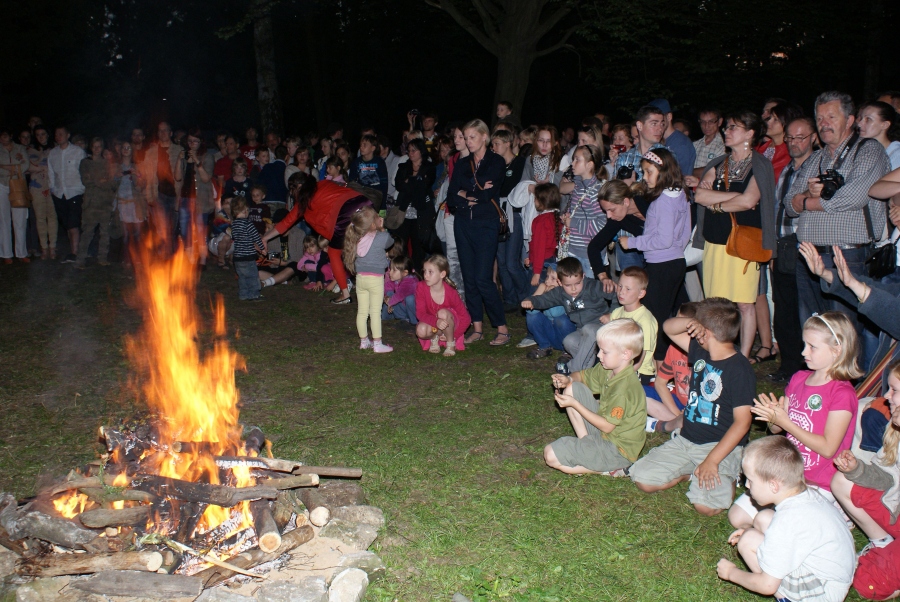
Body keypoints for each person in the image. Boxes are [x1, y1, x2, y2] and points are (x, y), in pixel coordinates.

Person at [728, 311, 860, 530]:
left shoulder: (842, 393)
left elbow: (828, 448)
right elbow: (778, 428)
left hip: (820, 482)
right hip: (790, 473)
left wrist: (787, 422)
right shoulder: (799, 379)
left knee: (775, 525)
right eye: (804, 344)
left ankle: (836, 513)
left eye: (812, 346)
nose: (803, 351)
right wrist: (774, 416)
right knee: (737, 516)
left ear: (837, 350)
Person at [629, 298, 754, 516]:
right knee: (642, 479)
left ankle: (730, 474)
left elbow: (743, 423)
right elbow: (668, 327)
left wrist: (712, 460)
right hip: (687, 440)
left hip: (719, 447)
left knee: (706, 508)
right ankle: (691, 471)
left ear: (704, 333)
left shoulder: (739, 369)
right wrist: (694, 321)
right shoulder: (700, 351)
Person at [785, 91, 891, 340]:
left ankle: (847, 379)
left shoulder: (867, 151)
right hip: (808, 253)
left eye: (831, 117)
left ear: (850, 120)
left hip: (848, 255)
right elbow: (789, 204)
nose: (824, 124)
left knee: (843, 330)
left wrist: (808, 201)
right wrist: (805, 197)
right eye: (820, 118)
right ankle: (821, 377)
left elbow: (853, 198)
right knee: (812, 325)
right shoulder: (816, 158)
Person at [716, 436, 855, 602]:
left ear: (774, 486)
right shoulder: (806, 497)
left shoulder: (788, 520)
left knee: (749, 540)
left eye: (750, 481)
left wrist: (731, 573)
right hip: (832, 576)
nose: (746, 486)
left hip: (822, 592)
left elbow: (767, 586)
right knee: (763, 518)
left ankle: (786, 598)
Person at [693, 111, 776, 358]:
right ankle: (716, 349)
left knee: (744, 303)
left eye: (733, 127)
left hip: (744, 245)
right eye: (727, 127)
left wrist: (716, 203)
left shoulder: (760, 165)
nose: (726, 131)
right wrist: (734, 200)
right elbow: (699, 196)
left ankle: (743, 355)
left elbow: (751, 200)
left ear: (750, 134)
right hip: (715, 242)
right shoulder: (717, 163)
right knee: (715, 304)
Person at [544, 319, 648, 476]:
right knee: (573, 388)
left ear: (625, 354)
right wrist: (568, 379)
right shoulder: (609, 368)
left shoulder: (624, 388)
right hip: (604, 435)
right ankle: (589, 447)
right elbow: (582, 376)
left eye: (605, 352)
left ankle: (612, 469)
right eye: (599, 350)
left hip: (617, 450)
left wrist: (575, 404)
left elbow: (607, 426)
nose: (599, 355)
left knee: (550, 456)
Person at [832, 361, 900, 600]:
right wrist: (856, 469)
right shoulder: (895, 428)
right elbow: (886, 478)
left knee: (867, 584)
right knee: (841, 480)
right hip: (895, 510)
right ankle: (882, 541)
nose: (887, 397)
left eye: (894, 391)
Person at [619, 149, 690, 362]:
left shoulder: (665, 201)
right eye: (644, 172)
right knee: (681, 313)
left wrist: (632, 242)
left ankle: (656, 367)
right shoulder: (679, 194)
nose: (645, 177)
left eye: (649, 172)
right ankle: (679, 361)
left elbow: (663, 240)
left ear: (663, 171)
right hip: (675, 261)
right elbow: (684, 232)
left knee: (654, 319)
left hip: (662, 264)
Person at [263, 172, 372, 304]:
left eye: (292, 190)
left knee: (333, 253)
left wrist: (265, 238)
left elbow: (284, 224)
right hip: (364, 202)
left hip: (345, 213)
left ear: (298, 187)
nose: (292, 195)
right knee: (371, 245)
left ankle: (345, 294)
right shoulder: (323, 183)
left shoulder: (303, 202)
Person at [447, 119, 509, 346]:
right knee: (469, 278)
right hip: (463, 224)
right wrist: (467, 197)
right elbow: (452, 196)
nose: (467, 141)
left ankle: (501, 327)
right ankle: (477, 327)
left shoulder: (497, 161)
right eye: (465, 137)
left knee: (483, 278)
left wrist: (467, 193)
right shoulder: (463, 164)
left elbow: (488, 196)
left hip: (486, 224)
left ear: (485, 137)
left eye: (472, 137)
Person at [769, 117, 820, 382]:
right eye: (790, 138)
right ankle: (789, 366)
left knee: (804, 308)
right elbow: (778, 208)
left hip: (804, 243)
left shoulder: (820, 165)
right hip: (782, 243)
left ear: (813, 137)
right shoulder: (787, 169)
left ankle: (807, 367)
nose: (794, 142)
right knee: (784, 307)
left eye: (800, 137)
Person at [521, 257, 613, 360]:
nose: (573, 289)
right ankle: (578, 360)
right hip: (579, 331)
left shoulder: (593, 286)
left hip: (599, 327)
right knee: (569, 341)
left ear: (583, 277)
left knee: (563, 321)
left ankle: (579, 362)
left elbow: (618, 296)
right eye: (568, 285)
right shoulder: (561, 292)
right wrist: (531, 300)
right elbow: (543, 300)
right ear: (560, 283)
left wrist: (612, 314)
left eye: (577, 283)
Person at [342, 206, 394, 353]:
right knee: (375, 312)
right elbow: (390, 242)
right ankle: (377, 344)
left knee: (362, 311)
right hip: (376, 279)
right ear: (373, 224)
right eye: (377, 217)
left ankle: (364, 341)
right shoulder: (381, 237)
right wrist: (382, 228)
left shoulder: (355, 237)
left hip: (360, 279)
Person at [598, 267, 657, 385]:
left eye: (628, 289)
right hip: (618, 364)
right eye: (620, 286)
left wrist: (616, 376)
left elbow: (640, 359)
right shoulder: (617, 313)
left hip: (638, 371)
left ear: (641, 293)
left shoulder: (645, 320)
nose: (621, 291)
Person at [492, 129, 530, 310]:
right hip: (497, 213)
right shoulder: (496, 165)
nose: (494, 147)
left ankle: (526, 297)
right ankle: (510, 299)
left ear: (508, 143)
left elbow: (516, 187)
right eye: (493, 144)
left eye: (497, 143)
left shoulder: (520, 162)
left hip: (513, 213)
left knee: (511, 262)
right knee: (501, 260)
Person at [557, 145, 606, 278]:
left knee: (588, 294)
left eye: (577, 160)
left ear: (589, 165)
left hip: (587, 254)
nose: (572, 163)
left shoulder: (597, 191)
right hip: (572, 249)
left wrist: (573, 222)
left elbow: (601, 224)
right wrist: (568, 217)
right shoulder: (578, 187)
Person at [649, 302, 700, 431]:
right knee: (637, 392)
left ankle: (674, 424)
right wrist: (678, 414)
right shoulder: (674, 348)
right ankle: (678, 422)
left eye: (680, 325)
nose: (674, 328)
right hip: (679, 402)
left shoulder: (705, 353)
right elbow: (660, 383)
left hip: (700, 408)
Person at [414, 254, 471, 356]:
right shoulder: (421, 287)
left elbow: (466, 318)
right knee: (421, 330)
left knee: (443, 313)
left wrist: (455, 335)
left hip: (451, 324)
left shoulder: (450, 292)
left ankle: (450, 343)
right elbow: (420, 313)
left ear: (442, 274)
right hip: (434, 323)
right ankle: (434, 338)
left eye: (430, 272)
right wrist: (436, 322)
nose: (426, 275)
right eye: (425, 271)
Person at [393, 138, 436, 274]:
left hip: (421, 211)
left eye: (413, 150)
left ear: (421, 151)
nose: (410, 153)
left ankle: (418, 274)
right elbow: (399, 185)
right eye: (409, 150)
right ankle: (402, 273)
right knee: (401, 245)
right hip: (404, 211)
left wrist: (409, 182)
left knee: (419, 246)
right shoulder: (404, 166)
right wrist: (416, 181)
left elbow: (424, 186)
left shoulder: (429, 167)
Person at [47, 126, 87, 263]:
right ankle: (75, 250)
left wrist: (84, 188)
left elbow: (84, 170)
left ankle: (74, 253)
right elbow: (51, 173)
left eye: (61, 134)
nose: (58, 136)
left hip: (75, 191)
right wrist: (52, 188)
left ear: (68, 135)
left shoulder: (77, 152)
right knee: (67, 224)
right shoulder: (53, 153)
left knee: (73, 223)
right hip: (59, 193)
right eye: (56, 134)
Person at [74, 137, 116, 267]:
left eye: (99, 146)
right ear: (91, 147)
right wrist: (101, 181)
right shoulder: (85, 163)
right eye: (94, 146)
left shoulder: (107, 163)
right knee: (87, 232)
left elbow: (111, 183)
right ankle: (80, 259)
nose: (97, 149)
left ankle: (102, 257)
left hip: (105, 202)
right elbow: (86, 181)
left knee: (105, 233)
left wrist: (100, 181)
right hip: (91, 203)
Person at [141, 121, 184, 238]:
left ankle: (171, 254)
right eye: (160, 130)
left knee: (174, 229)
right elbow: (147, 178)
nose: (163, 133)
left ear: (170, 133)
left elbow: (184, 175)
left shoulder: (179, 150)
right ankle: (162, 255)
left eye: (165, 130)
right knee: (161, 230)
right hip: (159, 195)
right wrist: (148, 197)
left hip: (176, 195)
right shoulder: (150, 153)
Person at [179, 128, 215, 262]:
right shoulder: (184, 155)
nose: (192, 144)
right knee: (184, 228)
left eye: (195, 141)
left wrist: (196, 161)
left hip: (200, 198)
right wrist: (180, 160)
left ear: (201, 142)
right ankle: (190, 260)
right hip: (185, 197)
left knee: (200, 229)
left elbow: (206, 178)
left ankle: (202, 260)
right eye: (190, 141)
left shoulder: (207, 156)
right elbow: (178, 177)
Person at [0, 129, 32, 263]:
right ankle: (6, 254)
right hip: (2, 185)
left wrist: (8, 168)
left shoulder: (19, 148)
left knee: (20, 220)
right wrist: (14, 167)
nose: (3, 138)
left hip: (18, 185)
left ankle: (21, 252)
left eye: (5, 135)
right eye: (1, 136)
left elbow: (26, 165)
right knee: (3, 220)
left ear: (11, 135)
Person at [615, 106, 667, 183]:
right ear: (639, 126)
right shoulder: (624, 158)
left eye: (662, 124)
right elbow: (615, 190)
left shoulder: (667, 156)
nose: (660, 129)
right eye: (654, 124)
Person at [26, 126, 55, 260]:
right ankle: (44, 248)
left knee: (52, 217)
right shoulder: (30, 150)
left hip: (51, 187)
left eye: (43, 134)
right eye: (38, 135)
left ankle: (53, 247)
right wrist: (40, 166)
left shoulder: (54, 150)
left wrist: (38, 167)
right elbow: (27, 167)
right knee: (40, 218)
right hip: (36, 188)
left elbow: (55, 167)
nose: (41, 137)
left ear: (48, 135)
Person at [526, 183, 562, 288]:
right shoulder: (558, 218)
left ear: (542, 202)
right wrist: (530, 258)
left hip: (541, 265)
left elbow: (539, 247)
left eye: (535, 198)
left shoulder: (540, 221)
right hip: (553, 261)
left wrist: (536, 272)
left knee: (535, 297)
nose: (534, 200)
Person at [647, 99, 695, 176]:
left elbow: (679, 177)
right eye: (652, 121)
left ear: (669, 117)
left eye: (660, 118)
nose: (656, 123)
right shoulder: (655, 140)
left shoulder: (681, 144)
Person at [230, 196, 265, 301]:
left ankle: (243, 294)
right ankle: (254, 294)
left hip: (238, 258)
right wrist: (262, 248)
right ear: (245, 210)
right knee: (253, 276)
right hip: (248, 256)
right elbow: (256, 237)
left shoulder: (234, 224)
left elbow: (234, 237)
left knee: (242, 277)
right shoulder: (248, 224)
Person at [114, 141, 144, 260]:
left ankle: (138, 258)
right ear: (120, 150)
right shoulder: (116, 166)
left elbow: (143, 183)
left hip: (135, 203)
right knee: (125, 233)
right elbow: (111, 184)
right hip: (122, 202)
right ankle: (126, 259)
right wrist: (117, 176)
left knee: (137, 233)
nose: (126, 150)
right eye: (124, 147)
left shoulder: (138, 166)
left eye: (129, 148)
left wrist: (138, 176)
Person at [857, 100, 900, 170]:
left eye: (868, 119)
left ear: (885, 125)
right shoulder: (862, 150)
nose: (859, 124)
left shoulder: (897, 155)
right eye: (861, 118)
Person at [349, 134, 388, 203]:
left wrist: (383, 205)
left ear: (373, 148)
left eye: (365, 145)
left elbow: (384, 184)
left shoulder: (379, 162)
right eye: (361, 145)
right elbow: (351, 181)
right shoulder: (356, 162)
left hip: (375, 194)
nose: (361, 147)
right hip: (361, 193)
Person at [383, 255, 418, 327]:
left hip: (414, 310)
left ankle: (414, 322)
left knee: (410, 299)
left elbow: (400, 294)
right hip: (403, 308)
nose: (390, 273)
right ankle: (399, 318)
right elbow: (388, 286)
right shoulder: (397, 279)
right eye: (390, 269)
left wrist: (390, 302)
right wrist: (387, 297)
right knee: (390, 295)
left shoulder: (411, 281)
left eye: (394, 270)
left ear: (405, 273)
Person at [692, 109, 725, 178]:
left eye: (711, 121)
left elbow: (713, 171)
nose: (706, 126)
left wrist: (688, 171)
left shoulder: (723, 146)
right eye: (703, 122)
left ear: (719, 122)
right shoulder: (694, 144)